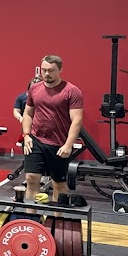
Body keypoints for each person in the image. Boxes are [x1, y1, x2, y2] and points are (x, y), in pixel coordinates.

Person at [21, 55, 84, 205]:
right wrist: (26, 135)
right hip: (35, 140)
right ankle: (31, 217)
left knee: (58, 184)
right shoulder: (34, 88)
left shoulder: (72, 91)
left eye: (51, 70)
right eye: (44, 70)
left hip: (58, 144)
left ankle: (56, 217)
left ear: (60, 70)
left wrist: (68, 145)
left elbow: (77, 120)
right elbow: (28, 113)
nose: (46, 74)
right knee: (31, 178)